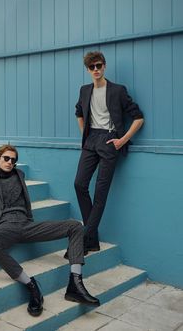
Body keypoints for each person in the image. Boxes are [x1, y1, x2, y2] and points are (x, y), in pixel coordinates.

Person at [0, 145, 100, 317]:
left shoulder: (19, 175)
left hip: (27, 225)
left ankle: (75, 284)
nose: (10, 162)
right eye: (6, 158)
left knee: (75, 226)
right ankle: (32, 287)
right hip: (4, 226)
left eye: (13, 160)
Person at [74, 51, 144, 253]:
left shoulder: (118, 90)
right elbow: (79, 112)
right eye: (91, 67)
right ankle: (91, 238)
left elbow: (138, 117)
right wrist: (85, 134)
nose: (95, 70)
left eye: (98, 66)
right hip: (91, 140)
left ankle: (85, 240)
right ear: (88, 70)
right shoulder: (85, 90)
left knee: (100, 193)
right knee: (79, 184)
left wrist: (122, 140)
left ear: (104, 66)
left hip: (110, 140)